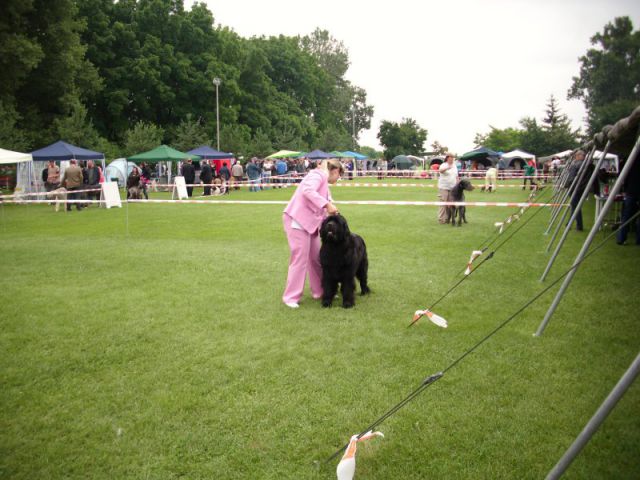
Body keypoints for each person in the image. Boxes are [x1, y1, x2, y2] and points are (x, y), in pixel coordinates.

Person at [282, 159, 343, 308]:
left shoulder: (324, 182)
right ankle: (291, 297)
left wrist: (330, 211)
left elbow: (321, 208)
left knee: (316, 259)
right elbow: (307, 191)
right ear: (335, 171)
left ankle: (321, 291)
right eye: (339, 176)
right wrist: (327, 204)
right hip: (297, 220)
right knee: (300, 259)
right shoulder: (317, 175)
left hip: (310, 225)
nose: (338, 179)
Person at [565, 150, 592, 231]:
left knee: (575, 206)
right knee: (575, 206)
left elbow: (571, 178)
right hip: (583, 188)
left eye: (576, 156)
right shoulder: (588, 165)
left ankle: (579, 226)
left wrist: (566, 185)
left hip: (575, 188)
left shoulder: (576, 165)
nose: (575, 157)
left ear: (579, 156)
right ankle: (569, 223)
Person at [616, 157, 640, 245]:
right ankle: (637, 240)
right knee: (628, 216)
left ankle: (621, 238)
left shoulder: (630, 159)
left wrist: (624, 189)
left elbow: (624, 175)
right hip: (631, 191)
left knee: (626, 216)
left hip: (630, 191)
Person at [437, 153, 459, 224]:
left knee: (450, 204)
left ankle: (447, 219)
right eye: (451, 157)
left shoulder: (455, 166)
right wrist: (447, 168)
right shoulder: (444, 165)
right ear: (447, 158)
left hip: (452, 187)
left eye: (453, 157)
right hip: (444, 187)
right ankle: (441, 219)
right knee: (443, 203)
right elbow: (440, 171)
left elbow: (456, 176)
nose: (452, 159)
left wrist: (458, 184)